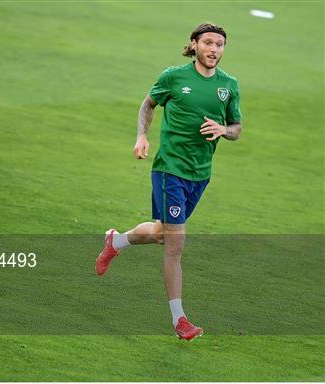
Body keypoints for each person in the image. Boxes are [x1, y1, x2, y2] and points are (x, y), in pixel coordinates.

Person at [95, 23, 242, 340]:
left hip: (200, 174)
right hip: (169, 169)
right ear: (195, 45)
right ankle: (180, 320)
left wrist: (223, 130)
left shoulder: (228, 85)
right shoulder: (174, 77)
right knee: (176, 243)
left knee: (162, 233)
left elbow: (236, 128)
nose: (214, 49)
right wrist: (141, 136)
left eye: (219, 44)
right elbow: (148, 104)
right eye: (208, 43)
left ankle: (116, 241)